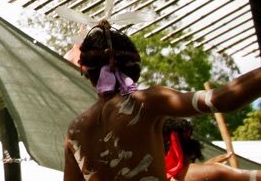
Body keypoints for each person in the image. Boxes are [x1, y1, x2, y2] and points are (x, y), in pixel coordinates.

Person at [64, 22, 261, 181]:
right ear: (134, 68)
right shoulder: (147, 101)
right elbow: (223, 99)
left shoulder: (75, 131)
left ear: (87, 72)